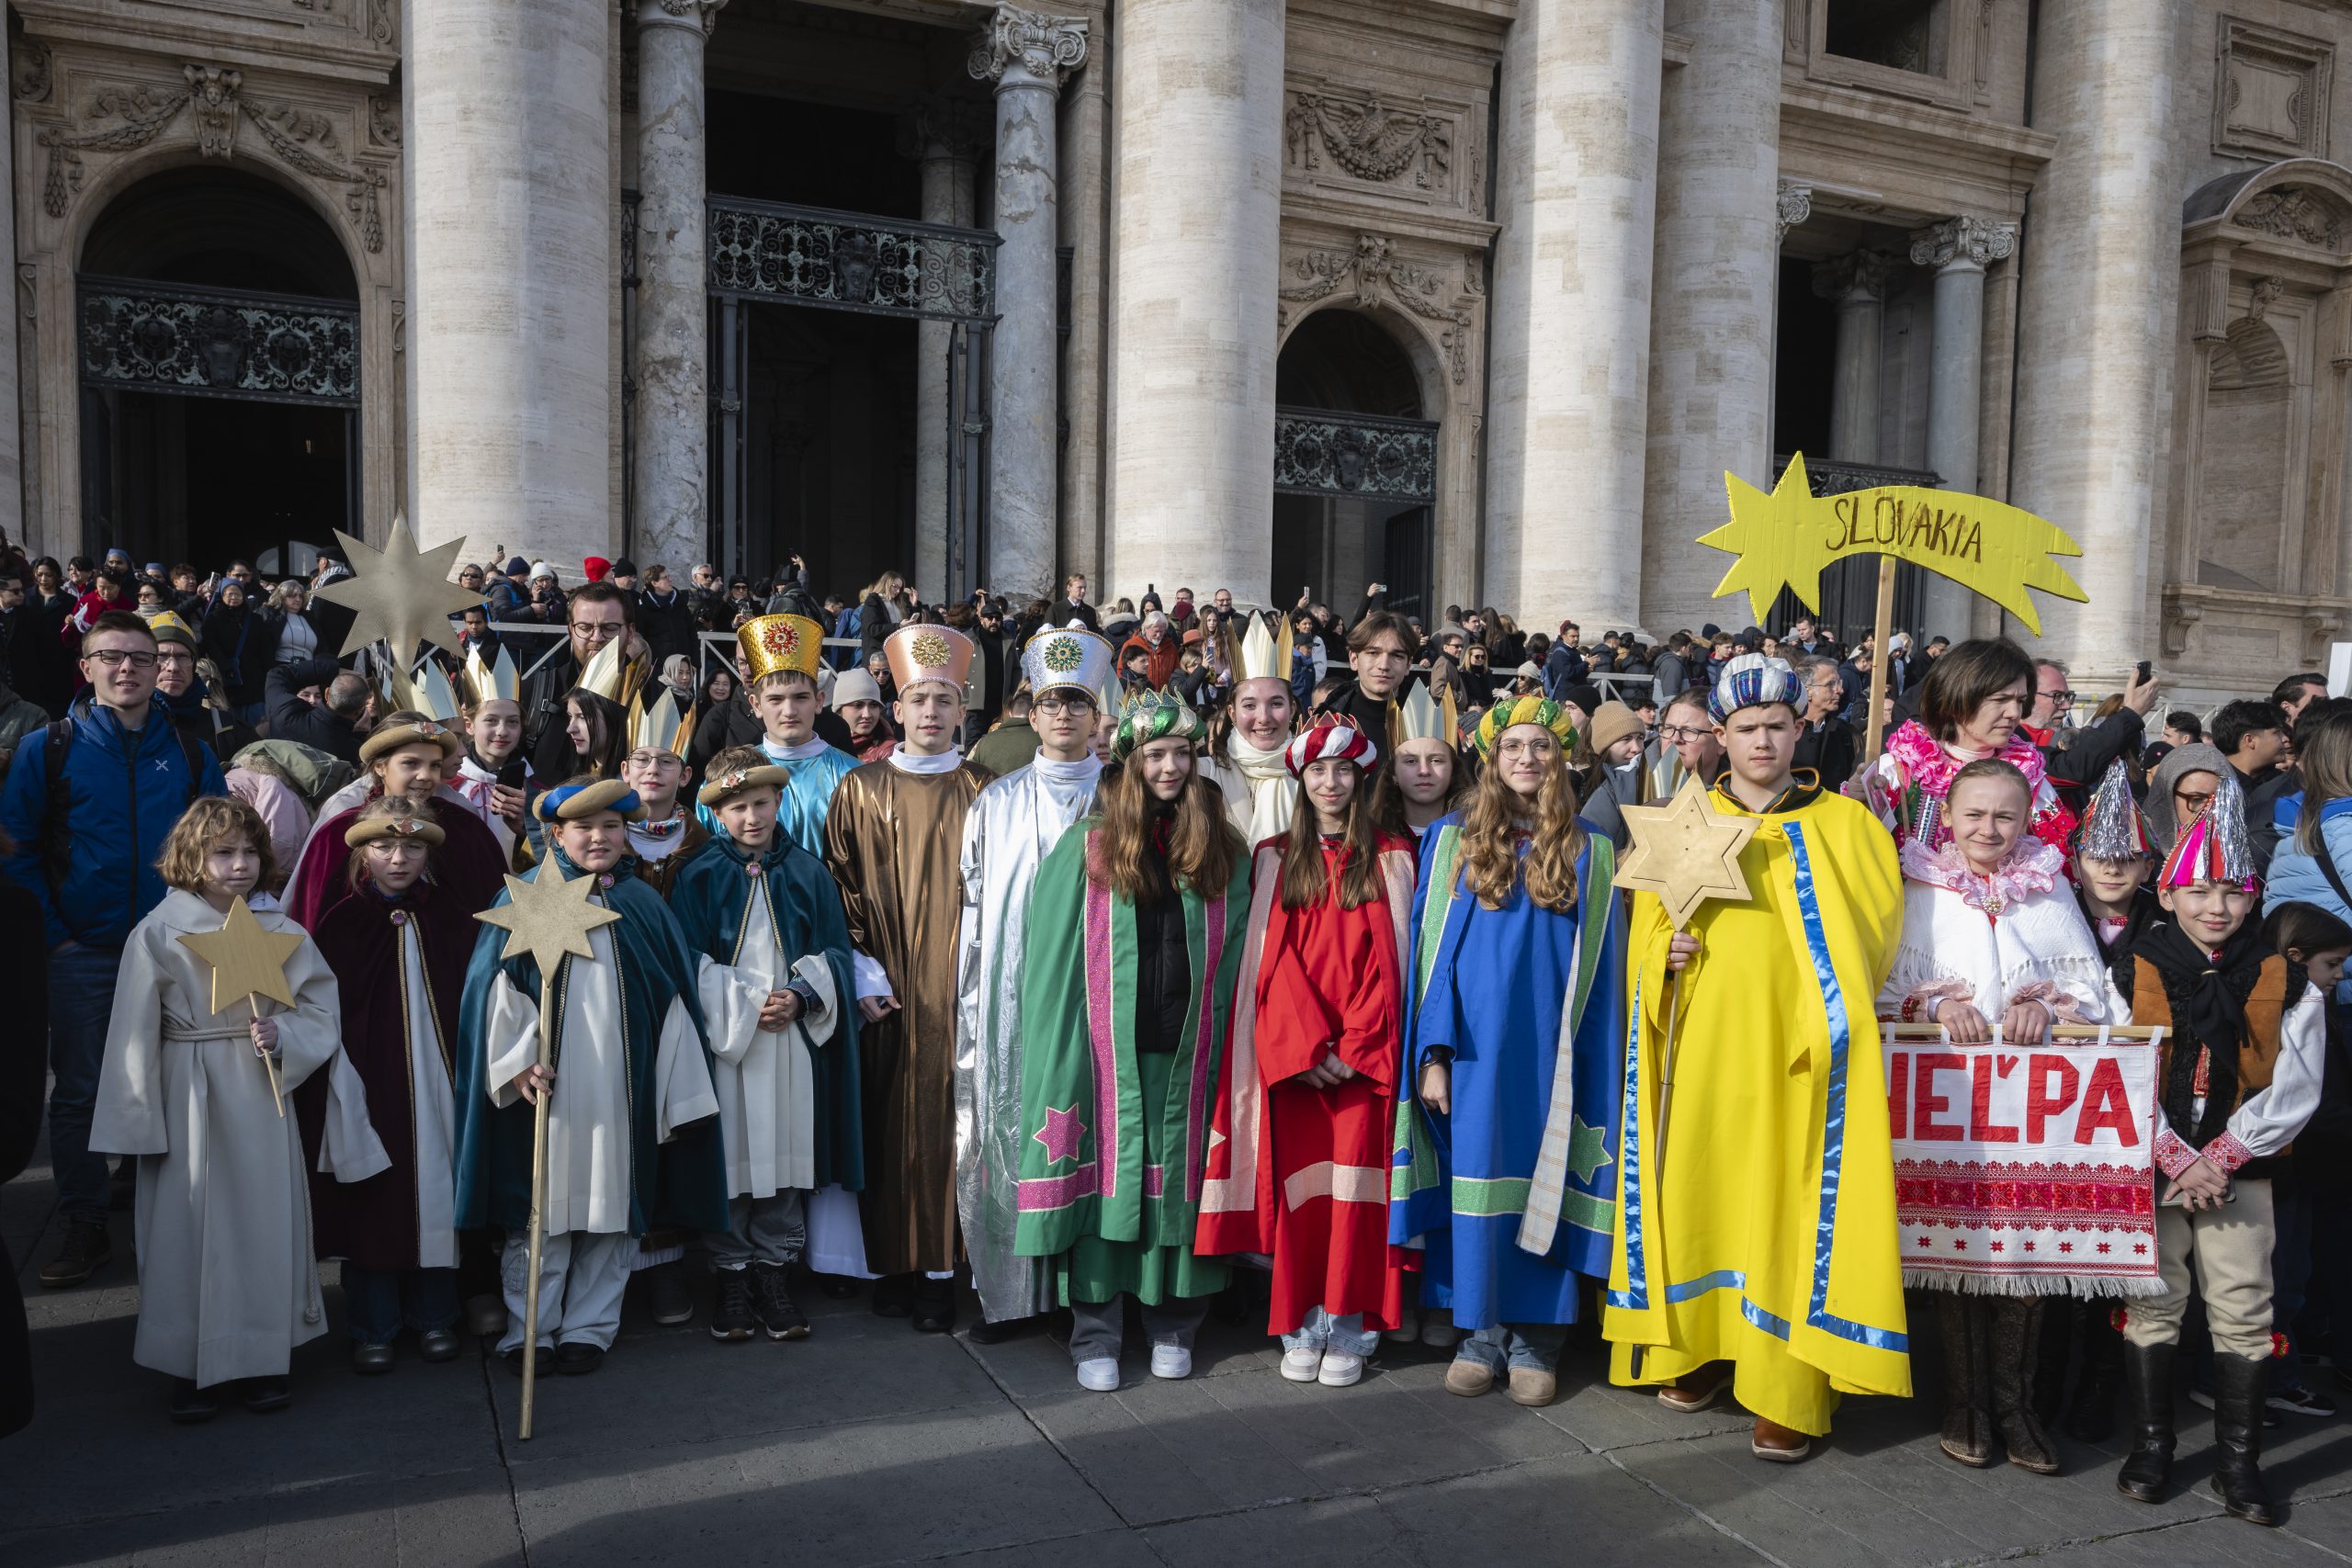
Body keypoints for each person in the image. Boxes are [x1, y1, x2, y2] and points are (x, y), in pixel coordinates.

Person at [1607, 655, 1910, 1463]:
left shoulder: (1844, 824)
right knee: (1701, 1189)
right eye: (1746, 728)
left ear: (1799, 728)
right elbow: (1639, 938)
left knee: (1788, 1208)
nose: (1763, 740)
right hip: (1704, 1043)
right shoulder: (1684, 823)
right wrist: (1657, 959)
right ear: (1721, 736)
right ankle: (1699, 1347)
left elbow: (1877, 935)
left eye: (1778, 725)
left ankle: (1788, 1384)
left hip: (1798, 1053)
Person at [89, 796, 386, 1420]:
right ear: (192, 859)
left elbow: (318, 1010)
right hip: (186, 1095)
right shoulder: (158, 933)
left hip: (258, 1094)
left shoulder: (281, 934)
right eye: (224, 852)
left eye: (250, 851)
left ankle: (262, 1357)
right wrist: (135, 1123)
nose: (240, 864)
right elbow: (131, 1035)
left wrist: (286, 1037)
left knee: (261, 1223)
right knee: (186, 1226)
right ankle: (191, 1365)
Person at [1876, 758, 2118, 1473]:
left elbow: (2092, 986)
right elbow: (1883, 980)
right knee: (1958, 1242)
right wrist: (1934, 1002)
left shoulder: (2048, 887)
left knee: (2027, 1246)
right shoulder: (1916, 885)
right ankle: (1966, 1401)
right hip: (1945, 1099)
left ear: (2027, 818)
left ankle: (2017, 1404)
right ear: (1946, 814)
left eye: (2005, 815)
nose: (1989, 828)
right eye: (1974, 813)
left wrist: (2046, 1004)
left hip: (2032, 1107)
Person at [1391, 692, 1627, 1408]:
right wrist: (1432, 1052)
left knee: (1546, 1179)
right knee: (1479, 1180)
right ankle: (1480, 1332)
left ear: (1564, 758)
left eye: (1543, 747)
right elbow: (1433, 957)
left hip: (1556, 1054)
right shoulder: (1454, 839)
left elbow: (1608, 969)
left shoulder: (1594, 849)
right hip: (1475, 1050)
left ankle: (1539, 1339)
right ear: (1492, 759)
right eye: (1514, 747)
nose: (1528, 759)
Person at [455, 779, 729, 1376]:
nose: (600, 837)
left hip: (620, 1089)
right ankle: (530, 1327)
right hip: (548, 1088)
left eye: (611, 826)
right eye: (585, 828)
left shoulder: (641, 902)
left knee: (612, 1210)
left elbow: (673, 993)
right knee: (541, 1212)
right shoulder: (529, 900)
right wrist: (515, 1060)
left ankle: (590, 1324)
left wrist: (675, 1083)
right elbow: (495, 991)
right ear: (556, 834)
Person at [1014, 688, 1249, 1390]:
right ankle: (1096, 1331)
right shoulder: (1086, 849)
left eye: (1181, 752)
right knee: (1105, 1194)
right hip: (1103, 1058)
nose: (1170, 766)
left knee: (1176, 1192)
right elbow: (1051, 972)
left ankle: (1176, 1321)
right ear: (1128, 760)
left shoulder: (1223, 850)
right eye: (1155, 753)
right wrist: (1058, 1059)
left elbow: (1241, 956)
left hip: (1188, 1054)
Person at [2112, 773, 2325, 1526]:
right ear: (2167, 894)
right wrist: (2175, 1155)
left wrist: (2223, 1156)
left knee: (2242, 1306)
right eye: (2199, 890)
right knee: (2153, 1303)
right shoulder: (2129, 967)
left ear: (2253, 897)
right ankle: (2153, 1443)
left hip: (2243, 1167)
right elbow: (2116, 1074)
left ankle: (2239, 1461)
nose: (2217, 906)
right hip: (2152, 1161)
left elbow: (2298, 1084)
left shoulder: (2285, 976)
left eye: (2234, 892)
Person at [2, 611, 226, 1290]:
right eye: (112, 656)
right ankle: (84, 1219)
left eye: (139, 656)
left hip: (175, 948)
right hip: (85, 950)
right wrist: (56, 932)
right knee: (79, 1090)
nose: (126, 668)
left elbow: (218, 840)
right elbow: (16, 847)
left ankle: (169, 1213)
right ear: (88, 667)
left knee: (178, 1080)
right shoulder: (50, 747)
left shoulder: (189, 750)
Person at [1197, 718, 1412, 1388]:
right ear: (1300, 780)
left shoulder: (1392, 856)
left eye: (1343, 770)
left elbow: (1396, 964)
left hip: (1362, 1064)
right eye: (1317, 770)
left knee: (1357, 1195)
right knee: (1303, 1200)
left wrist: (1352, 1045)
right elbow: (1267, 964)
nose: (1330, 781)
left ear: (1361, 778)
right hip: (1296, 1065)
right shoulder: (1271, 856)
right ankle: (1301, 1321)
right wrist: (1307, 1046)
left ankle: (1350, 1322)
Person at [821, 624, 994, 1331]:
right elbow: (841, 884)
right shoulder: (859, 790)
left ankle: (944, 1269)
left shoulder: (988, 790)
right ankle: (893, 1259)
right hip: (887, 987)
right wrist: (862, 970)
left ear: (962, 710)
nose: (929, 711)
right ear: (896, 707)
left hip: (964, 986)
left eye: (943, 699)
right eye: (918, 698)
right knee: (892, 1124)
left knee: (957, 1125)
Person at [955, 628, 1114, 1340]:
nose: (1064, 715)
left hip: (1099, 989)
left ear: (1097, 712)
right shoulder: (997, 801)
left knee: (1096, 1126)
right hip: (1013, 990)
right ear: (1032, 709)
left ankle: (1090, 1288)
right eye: (1051, 702)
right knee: (1014, 1115)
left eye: (1077, 701)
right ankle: (1017, 1290)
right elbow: (974, 899)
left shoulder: (1121, 796)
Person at [673, 749, 861, 1345]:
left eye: (761, 803)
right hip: (729, 1043)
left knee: (783, 1149)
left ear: (779, 801)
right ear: (718, 813)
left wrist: (803, 995)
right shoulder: (699, 874)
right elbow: (687, 962)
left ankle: (774, 1269)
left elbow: (836, 951)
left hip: (787, 1045)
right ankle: (731, 1272)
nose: (751, 816)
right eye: (737, 807)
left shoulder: (808, 871)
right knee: (731, 1156)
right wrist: (743, 1000)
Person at [304, 801, 475, 1373]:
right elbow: (324, 1010)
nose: (398, 859)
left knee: (438, 1188)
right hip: (365, 1085)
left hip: (439, 1082)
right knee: (372, 1196)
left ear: (430, 854)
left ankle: (435, 1316)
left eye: (412, 848)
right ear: (361, 853)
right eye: (383, 848)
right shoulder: (341, 924)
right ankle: (372, 1323)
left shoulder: (450, 916)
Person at [1851, 637, 2075, 856]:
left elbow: (2061, 856)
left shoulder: (2028, 776)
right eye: (2000, 700)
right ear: (1958, 697)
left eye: (2019, 701)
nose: (2014, 713)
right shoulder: (1900, 770)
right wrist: (1855, 806)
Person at [284, 714, 504, 931]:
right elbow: (311, 913)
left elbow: (492, 906)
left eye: (435, 765)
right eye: (411, 763)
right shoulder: (341, 829)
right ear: (380, 767)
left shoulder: (463, 826)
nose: (425, 776)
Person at [715, 614, 859, 857]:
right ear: (757, 705)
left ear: (818, 701)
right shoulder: (732, 778)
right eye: (776, 699)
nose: (789, 711)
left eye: (801, 697)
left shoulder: (853, 778)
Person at [1204, 609, 1302, 845]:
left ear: (1293, 708)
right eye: (1250, 705)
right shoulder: (1206, 775)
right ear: (1233, 713)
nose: (1264, 717)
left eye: (1276, 703)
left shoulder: (1314, 774)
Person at [521, 581, 633, 784]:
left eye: (610, 628)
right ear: (571, 630)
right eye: (585, 627)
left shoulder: (653, 696)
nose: (597, 637)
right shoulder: (537, 690)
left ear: (630, 632)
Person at [447, 644, 530, 866]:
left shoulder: (534, 789)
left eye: (512, 722)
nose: (502, 731)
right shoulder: (449, 784)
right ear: (469, 725)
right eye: (491, 720)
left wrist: (529, 826)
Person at [621, 687, 706, 900]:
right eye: (641, 759)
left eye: (667, 761)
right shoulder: (604, 838)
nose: (653, 769)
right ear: (625, 771)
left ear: (685, 776)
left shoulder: (703, 846)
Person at [1370, 680, 1463, 848]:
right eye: (1411, 761)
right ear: (1393, 772)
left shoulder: (1475, 838)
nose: (1424, 771)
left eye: (1436, 760)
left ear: (1453, 770)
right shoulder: (1370, 840)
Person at [1575, 700, 1653, 851]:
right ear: (1603, 746)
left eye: (1640, 738)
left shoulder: (1648, 781)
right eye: (1626, 739)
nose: (1636, 748)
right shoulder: (1580, 786)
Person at [1792, 654, 1858, 792]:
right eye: (1830, 684)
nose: (1840, 690)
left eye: (1839, 683)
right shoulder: (1787, 731)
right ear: (1807, 690)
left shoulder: (1842, 731)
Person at [2213, 699, 2290, 792]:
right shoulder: (2212, 785)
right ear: (2250, 740)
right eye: (2277, 732)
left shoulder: (2287, 785)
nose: (2286, 739)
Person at [969, 684, 1042, 776]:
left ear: (1010, 713)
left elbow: (971, 775)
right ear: (1034, 714)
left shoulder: (985, 741)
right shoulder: (1045, 741)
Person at [833, 667, 896, 762]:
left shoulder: (888, 752)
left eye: (873, 705)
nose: (867, 714)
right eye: (858, 705)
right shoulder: (826, 746)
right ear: (839, 711)